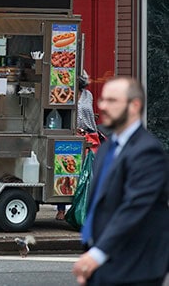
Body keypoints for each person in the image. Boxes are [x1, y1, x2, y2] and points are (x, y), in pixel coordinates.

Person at [72, 76, 169, 286]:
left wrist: (96, 254)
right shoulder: (107, 147)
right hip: (104, 263)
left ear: (134, 106)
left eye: (112, 101)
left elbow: (136, 207)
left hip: (136, 267)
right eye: (102, 100)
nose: (103, 106)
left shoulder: (147, 151)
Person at [56, 70, 100, 221]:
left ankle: (85, 206)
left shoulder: (88, 95)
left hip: (89, 135)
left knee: (87, 173)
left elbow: (89, 114)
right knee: (66, 171)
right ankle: (60, 209)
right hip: (72, 135)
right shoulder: (65, 93)